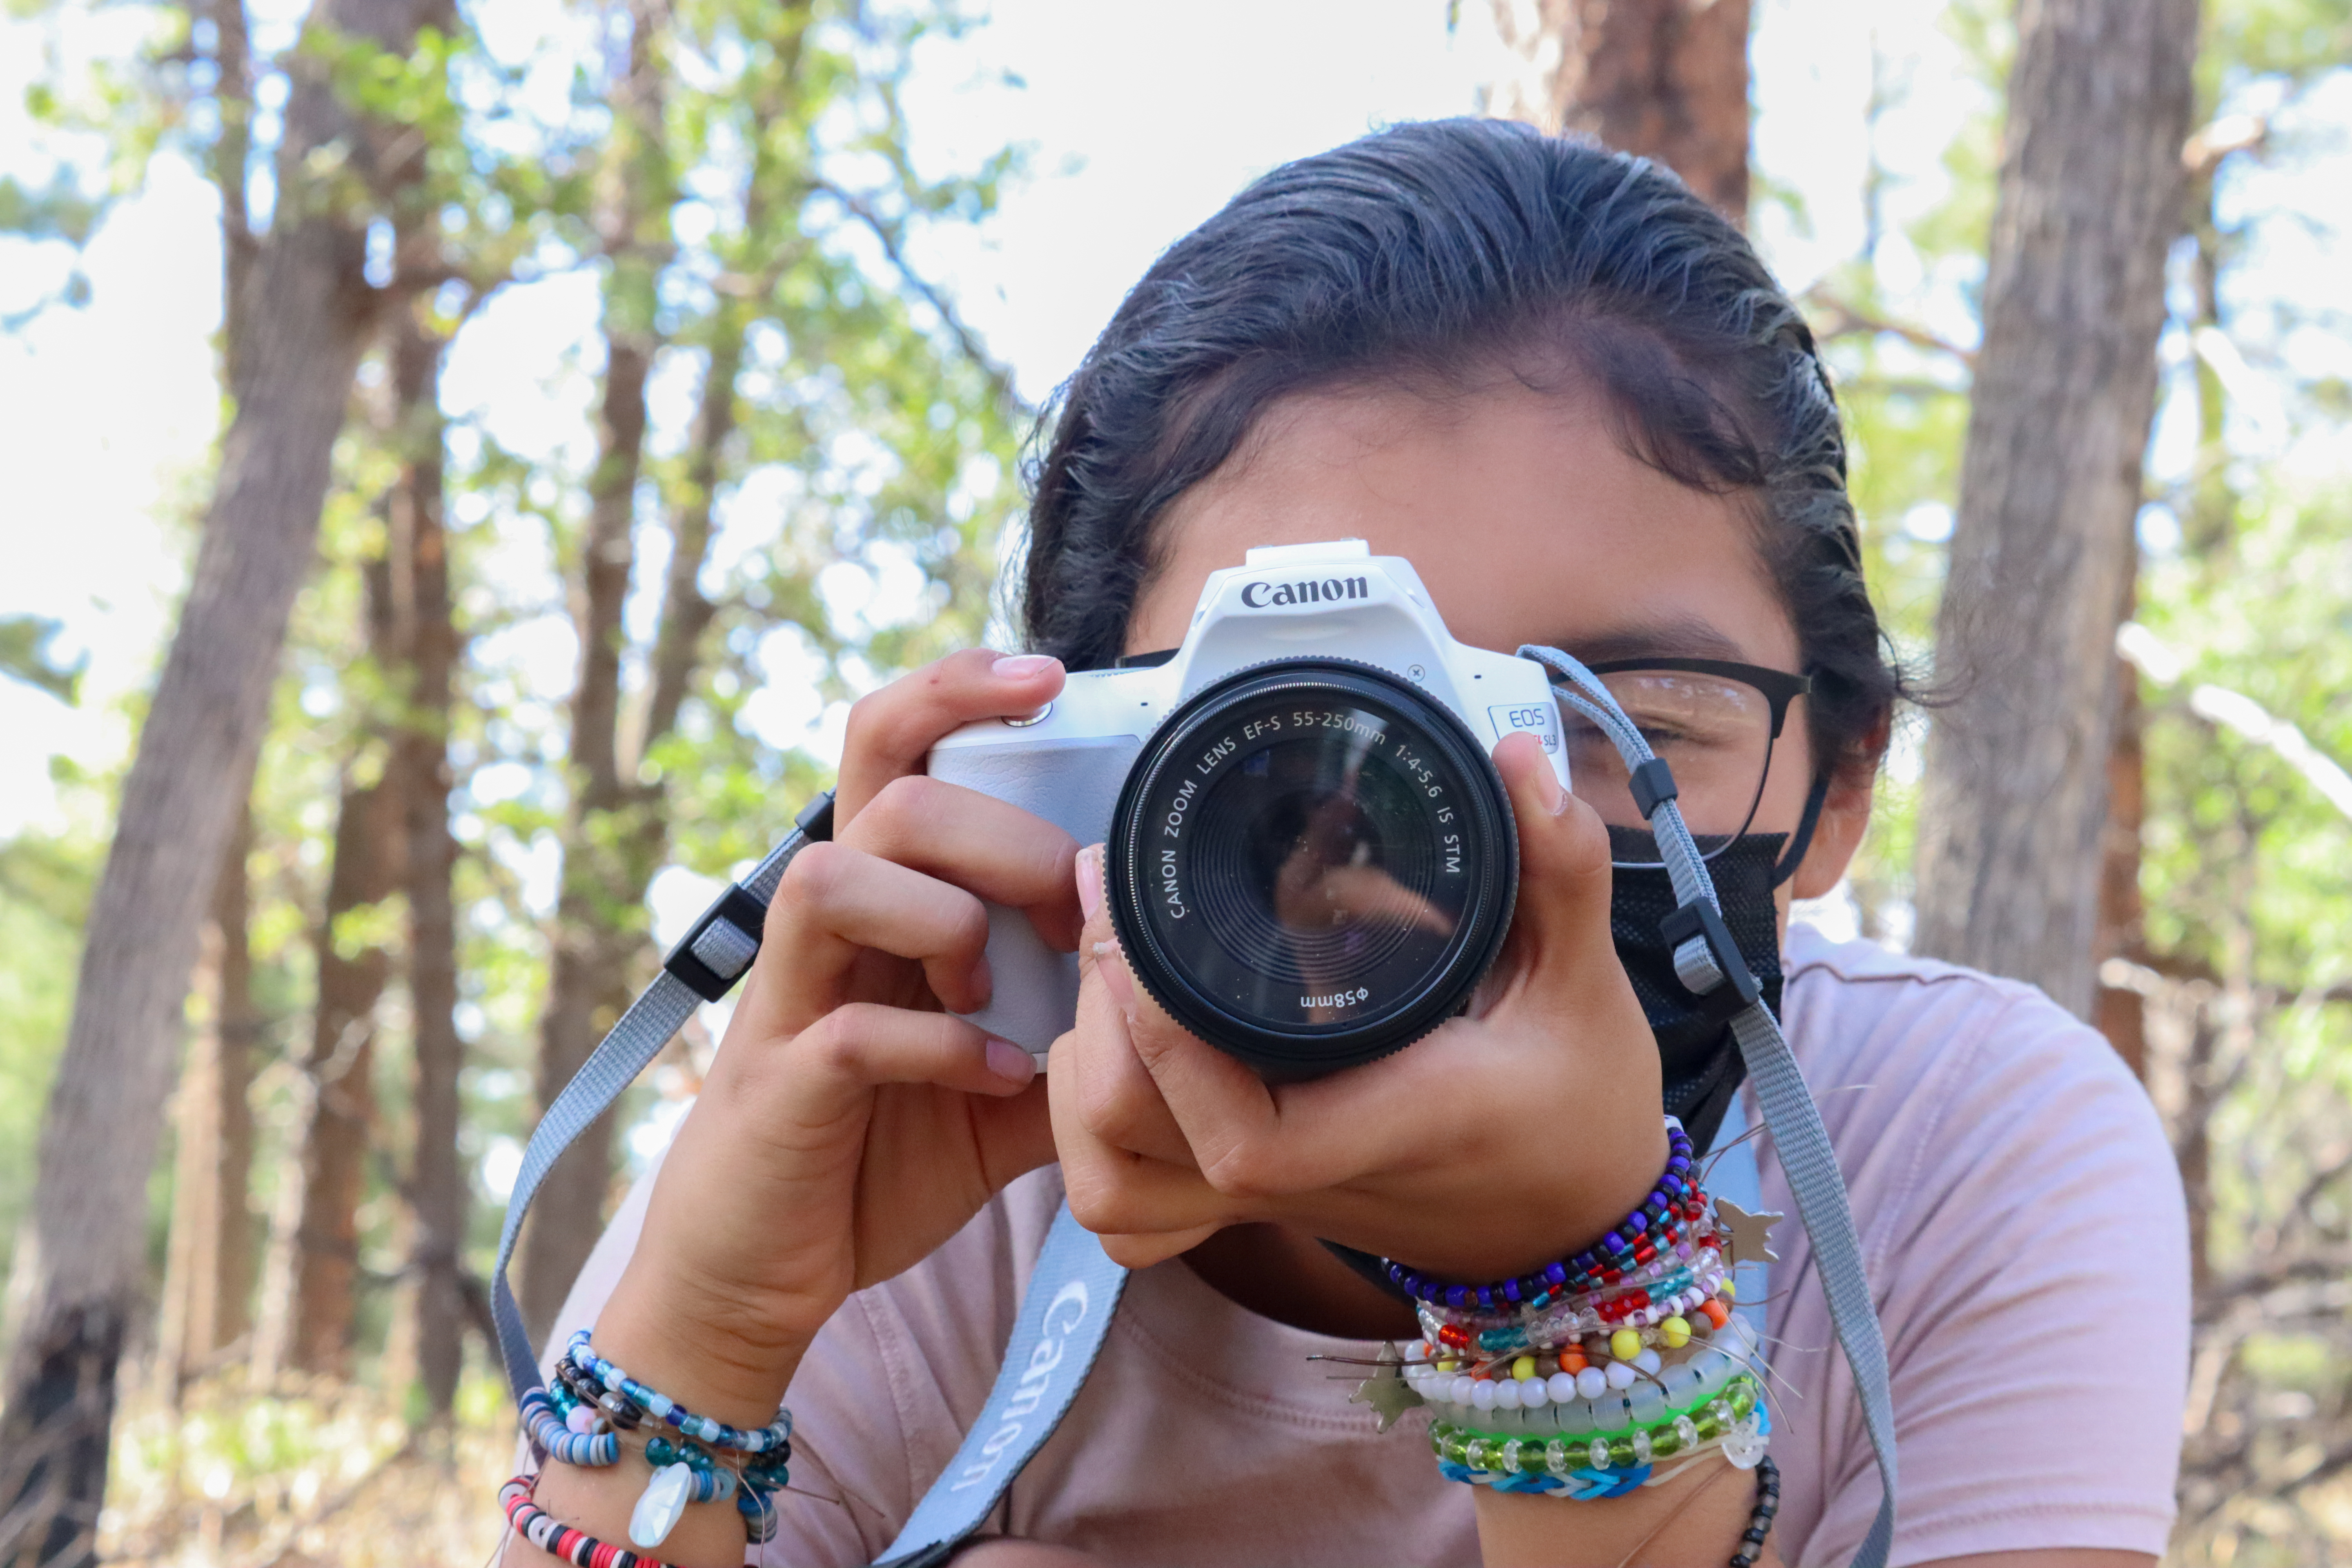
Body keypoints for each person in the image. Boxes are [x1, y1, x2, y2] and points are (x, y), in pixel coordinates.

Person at [508, 119, 2189, 1568]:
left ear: (1839, 786)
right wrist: (710, 1326)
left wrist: (1576, 1296)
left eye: (1614, 733)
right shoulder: (938, 1115)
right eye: (1302, 735)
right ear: (1071, 750)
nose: (1454, 847)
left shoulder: (1958, 1148)